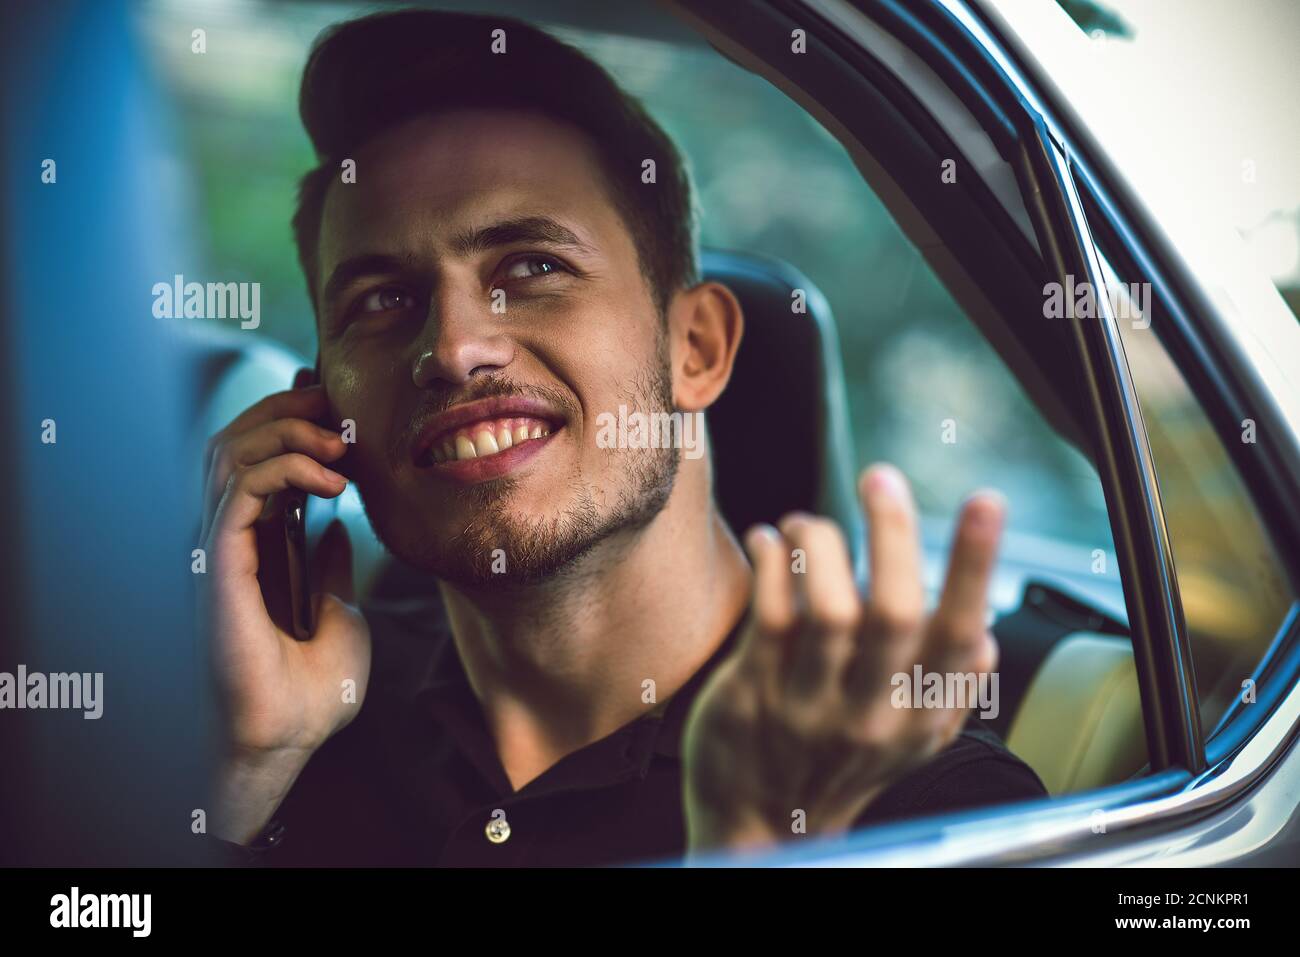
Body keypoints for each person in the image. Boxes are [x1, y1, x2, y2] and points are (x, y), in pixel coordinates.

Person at [201, 8, 1046, 866]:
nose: (452, 349)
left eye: (531, 267)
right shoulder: (303, 723)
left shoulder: (921, 802)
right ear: (320, 408)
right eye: (380, 301)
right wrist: (244, 769)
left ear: (696, 347)